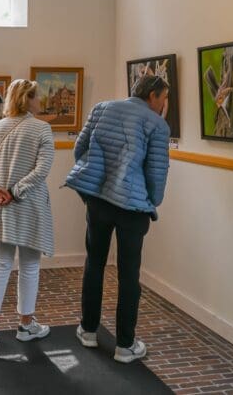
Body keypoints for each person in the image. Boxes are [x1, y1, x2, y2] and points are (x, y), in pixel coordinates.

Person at [65, 75, 171, 363]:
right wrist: (151, 200)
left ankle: (88, 331)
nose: (164, 104)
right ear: (152, 95)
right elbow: (156, 172)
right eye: (163, 98)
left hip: (99, 200)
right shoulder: (157, 125)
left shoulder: (102, 108)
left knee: (94, 264)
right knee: (129, 275)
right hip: (132, 208)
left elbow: (80, 149)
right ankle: (125, 345)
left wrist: (95, 179)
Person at [0, 79, 55, 350]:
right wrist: (16, 191)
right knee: (29, 267)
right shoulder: (42, 128)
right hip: (29, 206)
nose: (40, 101)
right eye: (37, 97)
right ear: (28, 99)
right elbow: (43, 169)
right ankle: (25, 326)